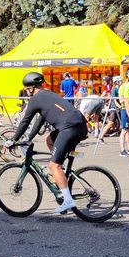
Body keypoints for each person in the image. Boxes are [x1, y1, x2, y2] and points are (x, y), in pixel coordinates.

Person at [10, 71, 89, 214]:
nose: (26, 92)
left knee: (54, 166)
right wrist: (28, 138)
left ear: (31, 88)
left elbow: (25, 121)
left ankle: (68, 200)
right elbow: (40, 120)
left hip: (69, 128)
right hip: (80, 125)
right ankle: (62, 174)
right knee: (49, 139)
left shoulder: (35, 98)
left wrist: (13, 140)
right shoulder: (48, 94)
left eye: (26, 89)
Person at [117, 70, 129, 157]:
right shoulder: (123, 87)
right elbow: (121, 100)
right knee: (124, 130)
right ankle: (122, 150)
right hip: (124, 109)